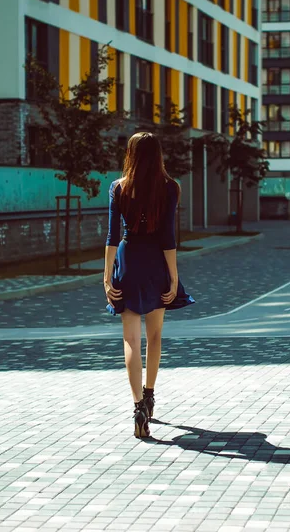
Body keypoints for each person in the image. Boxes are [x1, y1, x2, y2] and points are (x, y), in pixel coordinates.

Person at [104, 131, 195, 439]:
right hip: (156, 259)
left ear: (130, 154)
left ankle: (137, 406)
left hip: (128, 260)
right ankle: (150, 393)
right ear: (158, 155)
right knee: (154, 335)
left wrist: (107, 277)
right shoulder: (170, 187)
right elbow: (168, 237)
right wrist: (174, 276)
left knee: (130, 340)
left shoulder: (118, 187)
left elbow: (112, 237)